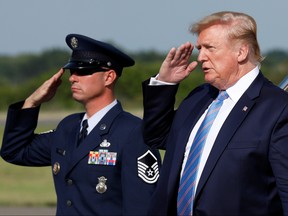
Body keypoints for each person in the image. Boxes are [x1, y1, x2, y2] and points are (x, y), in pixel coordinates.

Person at [142, 11, 288, 215]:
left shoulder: (278, 108)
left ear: (241, 52)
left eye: (210, 48)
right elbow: (157, 136)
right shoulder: (199, 97)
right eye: (200, 48)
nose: (201, 57)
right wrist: (165, 83)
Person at [1, 33, 161, 216]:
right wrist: (32, 102)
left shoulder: (133, 132)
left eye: (83, 72)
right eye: (72, 71)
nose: (72, 78)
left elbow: (142, 207)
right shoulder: (68, 128)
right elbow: (14, 151)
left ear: (109, 77)